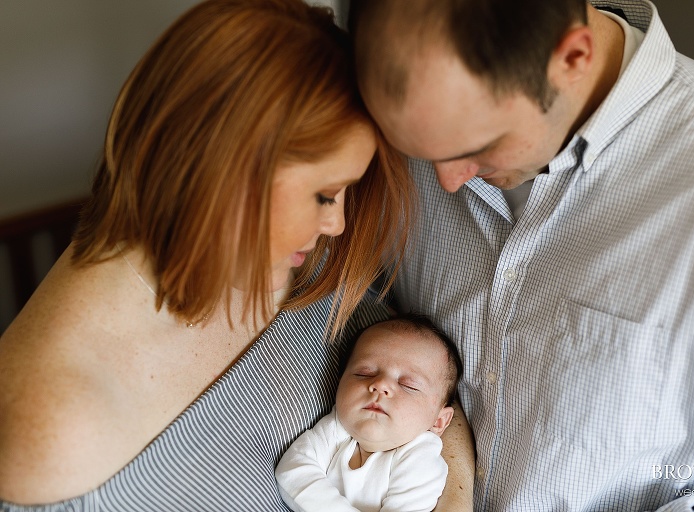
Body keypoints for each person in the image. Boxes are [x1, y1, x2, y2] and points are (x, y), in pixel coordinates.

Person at [0, 1, 479, 510]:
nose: (336, 223)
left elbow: (429, 394)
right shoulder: (51, 433)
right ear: (224, 174)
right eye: (323, 194)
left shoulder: (295, 256)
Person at [349, 0, 694, 510]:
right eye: (423, 151)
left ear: (573, 57)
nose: (447, 180)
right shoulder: (413, 113)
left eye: (480, 144)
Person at [276, 315, 463, 511]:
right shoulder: (336, 427)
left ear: (439, 421)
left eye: (408, 385)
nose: (380, 385)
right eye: (364, 373)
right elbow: (292, 471)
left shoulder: (421, 458)